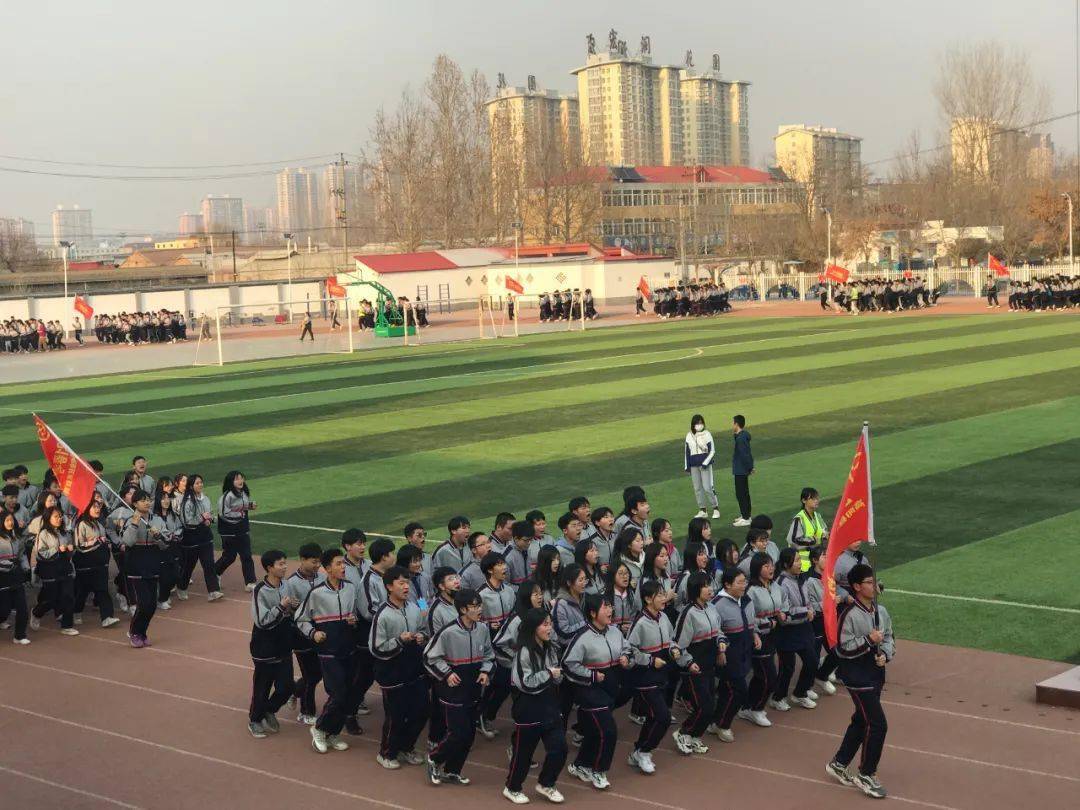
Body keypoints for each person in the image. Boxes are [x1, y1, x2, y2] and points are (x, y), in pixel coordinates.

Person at [825, 563, 894, 800]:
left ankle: (839, 762)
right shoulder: (848, 615)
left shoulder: (880, 611)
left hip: (876, 675)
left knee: (861, 720)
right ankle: (866, 773)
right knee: (877, 724)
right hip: (857, 677)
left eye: (874, 581)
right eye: (868, 582)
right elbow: (841, 649)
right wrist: (867, 640)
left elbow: (889, 637)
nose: (874, 585)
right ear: (856, 587)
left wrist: (885, 654)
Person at [423, 588, 494, 786]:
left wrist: (485, 671)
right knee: (458, 733)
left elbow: (489, 654)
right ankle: (434, 758)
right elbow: (429, 657)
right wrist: (447, 673)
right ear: (463, 609)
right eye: (475, 606)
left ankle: (453, 771)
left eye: (480, 605)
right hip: (452, 693)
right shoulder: (448, 632)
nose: (479, 609)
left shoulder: (482, 629)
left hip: (473, 691)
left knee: (469, 735)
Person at [561, 593, 631, 791]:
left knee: (594, 731)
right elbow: (568, 664)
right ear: (592, 613)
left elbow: (627, 648)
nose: (610, 610)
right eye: (605, 607)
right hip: (589, 691)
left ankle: (579, 765)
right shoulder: (582, 637)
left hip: (610, 688)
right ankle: (599, 771)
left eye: (610, 606)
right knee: (608, 731)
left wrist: (626, 657)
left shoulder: (615, 631)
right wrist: (591, 675)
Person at [294, 547, 358, 755]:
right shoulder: (317, 593)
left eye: (344, 564)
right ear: (327, 568)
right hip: (328, 651)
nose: (343, 567)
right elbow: (300, 618)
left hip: (348, 649)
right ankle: (320, 729)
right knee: (337, 694)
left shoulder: (350, 588)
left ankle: (333, 733)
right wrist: (313, 633)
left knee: (347, 695)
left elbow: (354, 613)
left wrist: (353, 619)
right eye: (339, 564)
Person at [505, 607, 567, 804]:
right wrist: (549, 674)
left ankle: (546, 783)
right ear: (533, 628)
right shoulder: (523, 652)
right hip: (528, 710)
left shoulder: (550, 648)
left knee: (560, 748)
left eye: (550, 623)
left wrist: (556, 676)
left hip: (549, 707)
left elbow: (556, 674)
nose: (550, 628)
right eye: (545, 624)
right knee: (523, 755)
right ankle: (512, 787)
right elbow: (525, 683)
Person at [370, 566, 429, 770]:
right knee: (395, 715)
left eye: (407, 583)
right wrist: (399, 641)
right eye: (401, 583)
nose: (406, 587)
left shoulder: (413, 607)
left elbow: (424, 630)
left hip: (414, 670)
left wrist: (422, 636)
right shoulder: (383, 614)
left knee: (421, 710)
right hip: (392, 673)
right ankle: (387, 752)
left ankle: (406, 747)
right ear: (389, 586)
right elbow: (376, 648)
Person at [626, 580, 678, 774]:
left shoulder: (664, 617)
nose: (664, 598)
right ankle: (645, 751)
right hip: (645, 678)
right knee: (663, 717)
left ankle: (639, 750)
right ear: (648, 599)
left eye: (664, 594)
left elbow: (671, 639)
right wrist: (649, 660)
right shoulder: (640, 622)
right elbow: (629, 650)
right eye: (660, 595)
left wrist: (673, 649)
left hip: (662, 675)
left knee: (653, 717)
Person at [248, 549, 298, 738]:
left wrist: (293, 605)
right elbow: (262, 621)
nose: (285, 567)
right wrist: (281, 607)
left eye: (285, 563)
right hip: (265, 645)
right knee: (262, 686)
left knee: (286, 686)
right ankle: (255, 720)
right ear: (269, 568)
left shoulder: (286, 585)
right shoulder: (260, 590)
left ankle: (269, 709)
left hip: (284, 642)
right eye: (281, 564)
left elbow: (290, 610)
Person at [673, 572, 723, 756]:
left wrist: (721, 644)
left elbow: (718, 631)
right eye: (705, 586)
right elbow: (677, 645)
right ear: (695, 590)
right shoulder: (688, 613)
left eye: (710, 585)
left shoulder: (711, 608)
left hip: (709, 666)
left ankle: (694, 737)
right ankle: (683, 732)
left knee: (710, 705)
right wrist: (688, 663)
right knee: (705, 706)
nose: (710, 589)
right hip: (694, 669)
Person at [710, 566, 758, 742]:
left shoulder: (746, 599)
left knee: (726, 691)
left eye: (744, 581)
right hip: (728, 655)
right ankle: (723, 725)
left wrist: (755, 634)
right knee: (739, 691)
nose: (744, 585)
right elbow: (714, 631)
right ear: (727, 585)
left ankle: (715, 720)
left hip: (744, 652)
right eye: (739, 582)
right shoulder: (717, 605)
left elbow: (751, 620)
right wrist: (719, 651)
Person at [120, 490, 168, 648]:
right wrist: (134, 524)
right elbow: (127, 542)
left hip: (153, 563)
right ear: (134, 504)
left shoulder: (157, 520)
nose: (147, 503)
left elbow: (165, 544)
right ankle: (134, 632)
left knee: (152, 604)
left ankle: (142, 632)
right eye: (142, 500)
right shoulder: (129, 520)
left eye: (148, 500)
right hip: (136, 566)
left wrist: (158, 536)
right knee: (144, 602)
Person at [772, 547, 818, 710]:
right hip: (787, 632)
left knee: (812, 660)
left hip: (804, 627)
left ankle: (800, 693)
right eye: (797, 560)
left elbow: (807, 600)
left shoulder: (801, 579)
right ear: (786, 564)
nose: (800, 563)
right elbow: (785, 614)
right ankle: (778, 697)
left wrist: (809, 608)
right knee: (787, 667)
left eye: (800, 559)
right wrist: (807, 611)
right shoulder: (781, 584)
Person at [284, 542, 325, 725]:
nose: (317, 565)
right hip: (300, 635)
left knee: (317, 673)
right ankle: (307, 711)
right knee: (311, 675)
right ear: (302, 560)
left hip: (318, 632)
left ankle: (294, 691)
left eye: (319, 562)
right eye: (314, 562)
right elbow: (289, 610)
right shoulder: (291, 583)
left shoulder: (321, 578)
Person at [477, 552, 517, 738]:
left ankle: (486, 715)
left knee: (504, 684)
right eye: (500, 564)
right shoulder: (482, 594)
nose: (504, 567)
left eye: (504, 563)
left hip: (507, 642)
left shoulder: (509, 590)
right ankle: (481, 715)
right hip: (490, 643)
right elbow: (473, 620)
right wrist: (487, 624)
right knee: (497, 682)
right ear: (490, 570)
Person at [744, 552, 783, 727]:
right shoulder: (752, 591)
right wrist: (768, 623)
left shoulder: (774, 586)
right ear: (757, 569)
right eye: (766, 566)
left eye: (772, 565)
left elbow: (783, 605)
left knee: (761, 676)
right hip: (759, 638)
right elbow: (748, 618)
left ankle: (747, 706)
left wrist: (782, 615)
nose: (771, 569)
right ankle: (756, 709)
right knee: (769, 677)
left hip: (773, 635)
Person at [29, 505, 77, 636]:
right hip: (49, 568)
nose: (59, 519)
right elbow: (40, 553)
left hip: (64, 567)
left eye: (60, 516)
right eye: (56, 516)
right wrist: (56, 549)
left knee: (68, 596)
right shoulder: (43, 534)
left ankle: (67, 625)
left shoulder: (65, 533)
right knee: (51, 598)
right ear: (48, 518)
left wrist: (71, 550)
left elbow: (70, 554)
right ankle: (36, 613)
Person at [176, 474, 224, 602]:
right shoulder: (187, 502)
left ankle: (213, 591)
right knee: (188, 566)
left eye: (201, 482)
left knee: (208, 564)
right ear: (191, 486)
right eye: (197, 483)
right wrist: (202, 519)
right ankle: (181, 587)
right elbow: (187, 521)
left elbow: (210, 514)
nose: (200, 485)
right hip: (191, 537)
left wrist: (210, 520)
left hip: (205, 536)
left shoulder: (206, 499)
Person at [72, 501, 119, 628]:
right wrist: (95, 542)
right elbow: (79, 546)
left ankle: (107, 617)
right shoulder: (81, 524)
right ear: (87, 508)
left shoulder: (99, 524)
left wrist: (105, 543)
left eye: (99, 506)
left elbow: (102, 541)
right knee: (83, 591)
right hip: (86, 564)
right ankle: (76, 611)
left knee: (103, 590)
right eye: (94, 507)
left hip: (100, 564)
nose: (98, 509)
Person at [214, 470, 257, 591]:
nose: (240, 481)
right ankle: (215, 572)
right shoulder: (227, 496)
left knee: (246, 555)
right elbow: (223, 513)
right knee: (229, 556)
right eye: (237, 479)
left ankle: (250, 582)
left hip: (242, 529)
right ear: (231, 482)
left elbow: (241, 506)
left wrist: (249, 505)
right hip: (229, 531)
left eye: (241, 478)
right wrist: (239, 515)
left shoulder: (244, 493)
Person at [0, 510, 29, 644]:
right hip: (3, 577)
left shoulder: (16, 538)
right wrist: (8, 564)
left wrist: (25, 567)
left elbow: (21, 555)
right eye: (7, 520)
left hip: (16, 575)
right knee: (4, 609)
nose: (10, 523)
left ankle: (20, 635)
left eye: (11, 520)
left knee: (22, 607)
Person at [684, 414, 720, 519]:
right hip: (694, 465)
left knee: (707, 487)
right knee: (697, 488)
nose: (699, 425)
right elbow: (686, 452)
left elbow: (712, 450)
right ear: (693, 424)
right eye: (697, 423)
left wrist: (706, 462)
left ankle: (715, 508)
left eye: (701, 423)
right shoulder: (689, 435)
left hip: (705, 465)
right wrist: (687, 466)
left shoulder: (707, 434)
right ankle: (702, 510)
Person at [785, 487, 829, 573]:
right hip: (803, 566)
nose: (816, 500)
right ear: (804, 500)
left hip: (817, 564)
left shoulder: (817, 516)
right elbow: (793, 540)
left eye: (817, 498)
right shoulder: (799, 518)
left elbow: (824, 531)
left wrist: (825, 535)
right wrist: (813, 540)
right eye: (812, 498)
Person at [731, 415, 754, 527]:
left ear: (736, 424)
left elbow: (745, 454)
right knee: (743, 493)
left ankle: (746, 517)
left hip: (741, 470)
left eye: (733, 423)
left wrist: (750, 467)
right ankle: (745, 515)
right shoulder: (741, 436)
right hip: (741, 469)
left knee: (741, 494)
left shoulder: (740, 439)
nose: (732, 425)